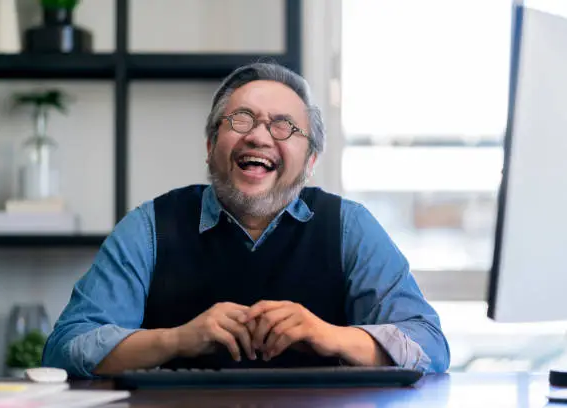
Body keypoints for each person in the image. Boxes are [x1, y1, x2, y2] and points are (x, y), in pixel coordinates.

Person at [42, 62, 451, 378]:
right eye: (242, 119)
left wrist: (328, 335)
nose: (259, 136)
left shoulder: (350, 226)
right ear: (209, 146)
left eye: (283, 125)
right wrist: (178, 339)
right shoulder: (149, 226)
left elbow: (430, 347)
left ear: (310, 162)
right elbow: (65, 347)